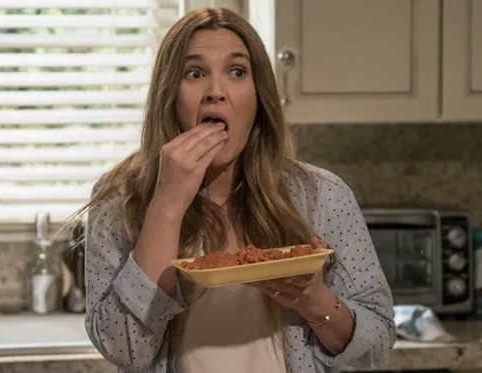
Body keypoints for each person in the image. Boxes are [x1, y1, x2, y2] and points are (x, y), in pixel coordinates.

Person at [76, 6, 395, 373]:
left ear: (258, 96)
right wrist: (167, 205)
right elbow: (124, 350)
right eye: (194, 73)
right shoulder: (120, 200)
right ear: (169, 97)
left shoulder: (323, 195)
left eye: (237, 72)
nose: (216, 92)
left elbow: (377, 346)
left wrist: (314, 299)